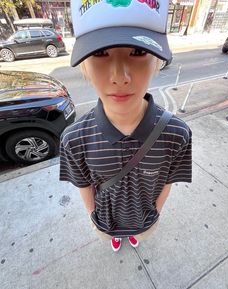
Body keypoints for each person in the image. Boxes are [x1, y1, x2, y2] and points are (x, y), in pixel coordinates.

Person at [60, 0, 192, 252]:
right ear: (84, 66)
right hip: (105, 222)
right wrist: (95, 218)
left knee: (139, 234)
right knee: (110, 234)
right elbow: (84, 185)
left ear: (156, 61)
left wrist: (154, 213)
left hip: (145, 222)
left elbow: (169, 180)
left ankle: (133, 234)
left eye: (138, 51)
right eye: (100, 53)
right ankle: (114, 235)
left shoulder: (177, 134)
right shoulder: (73, 139)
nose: (120, 77)